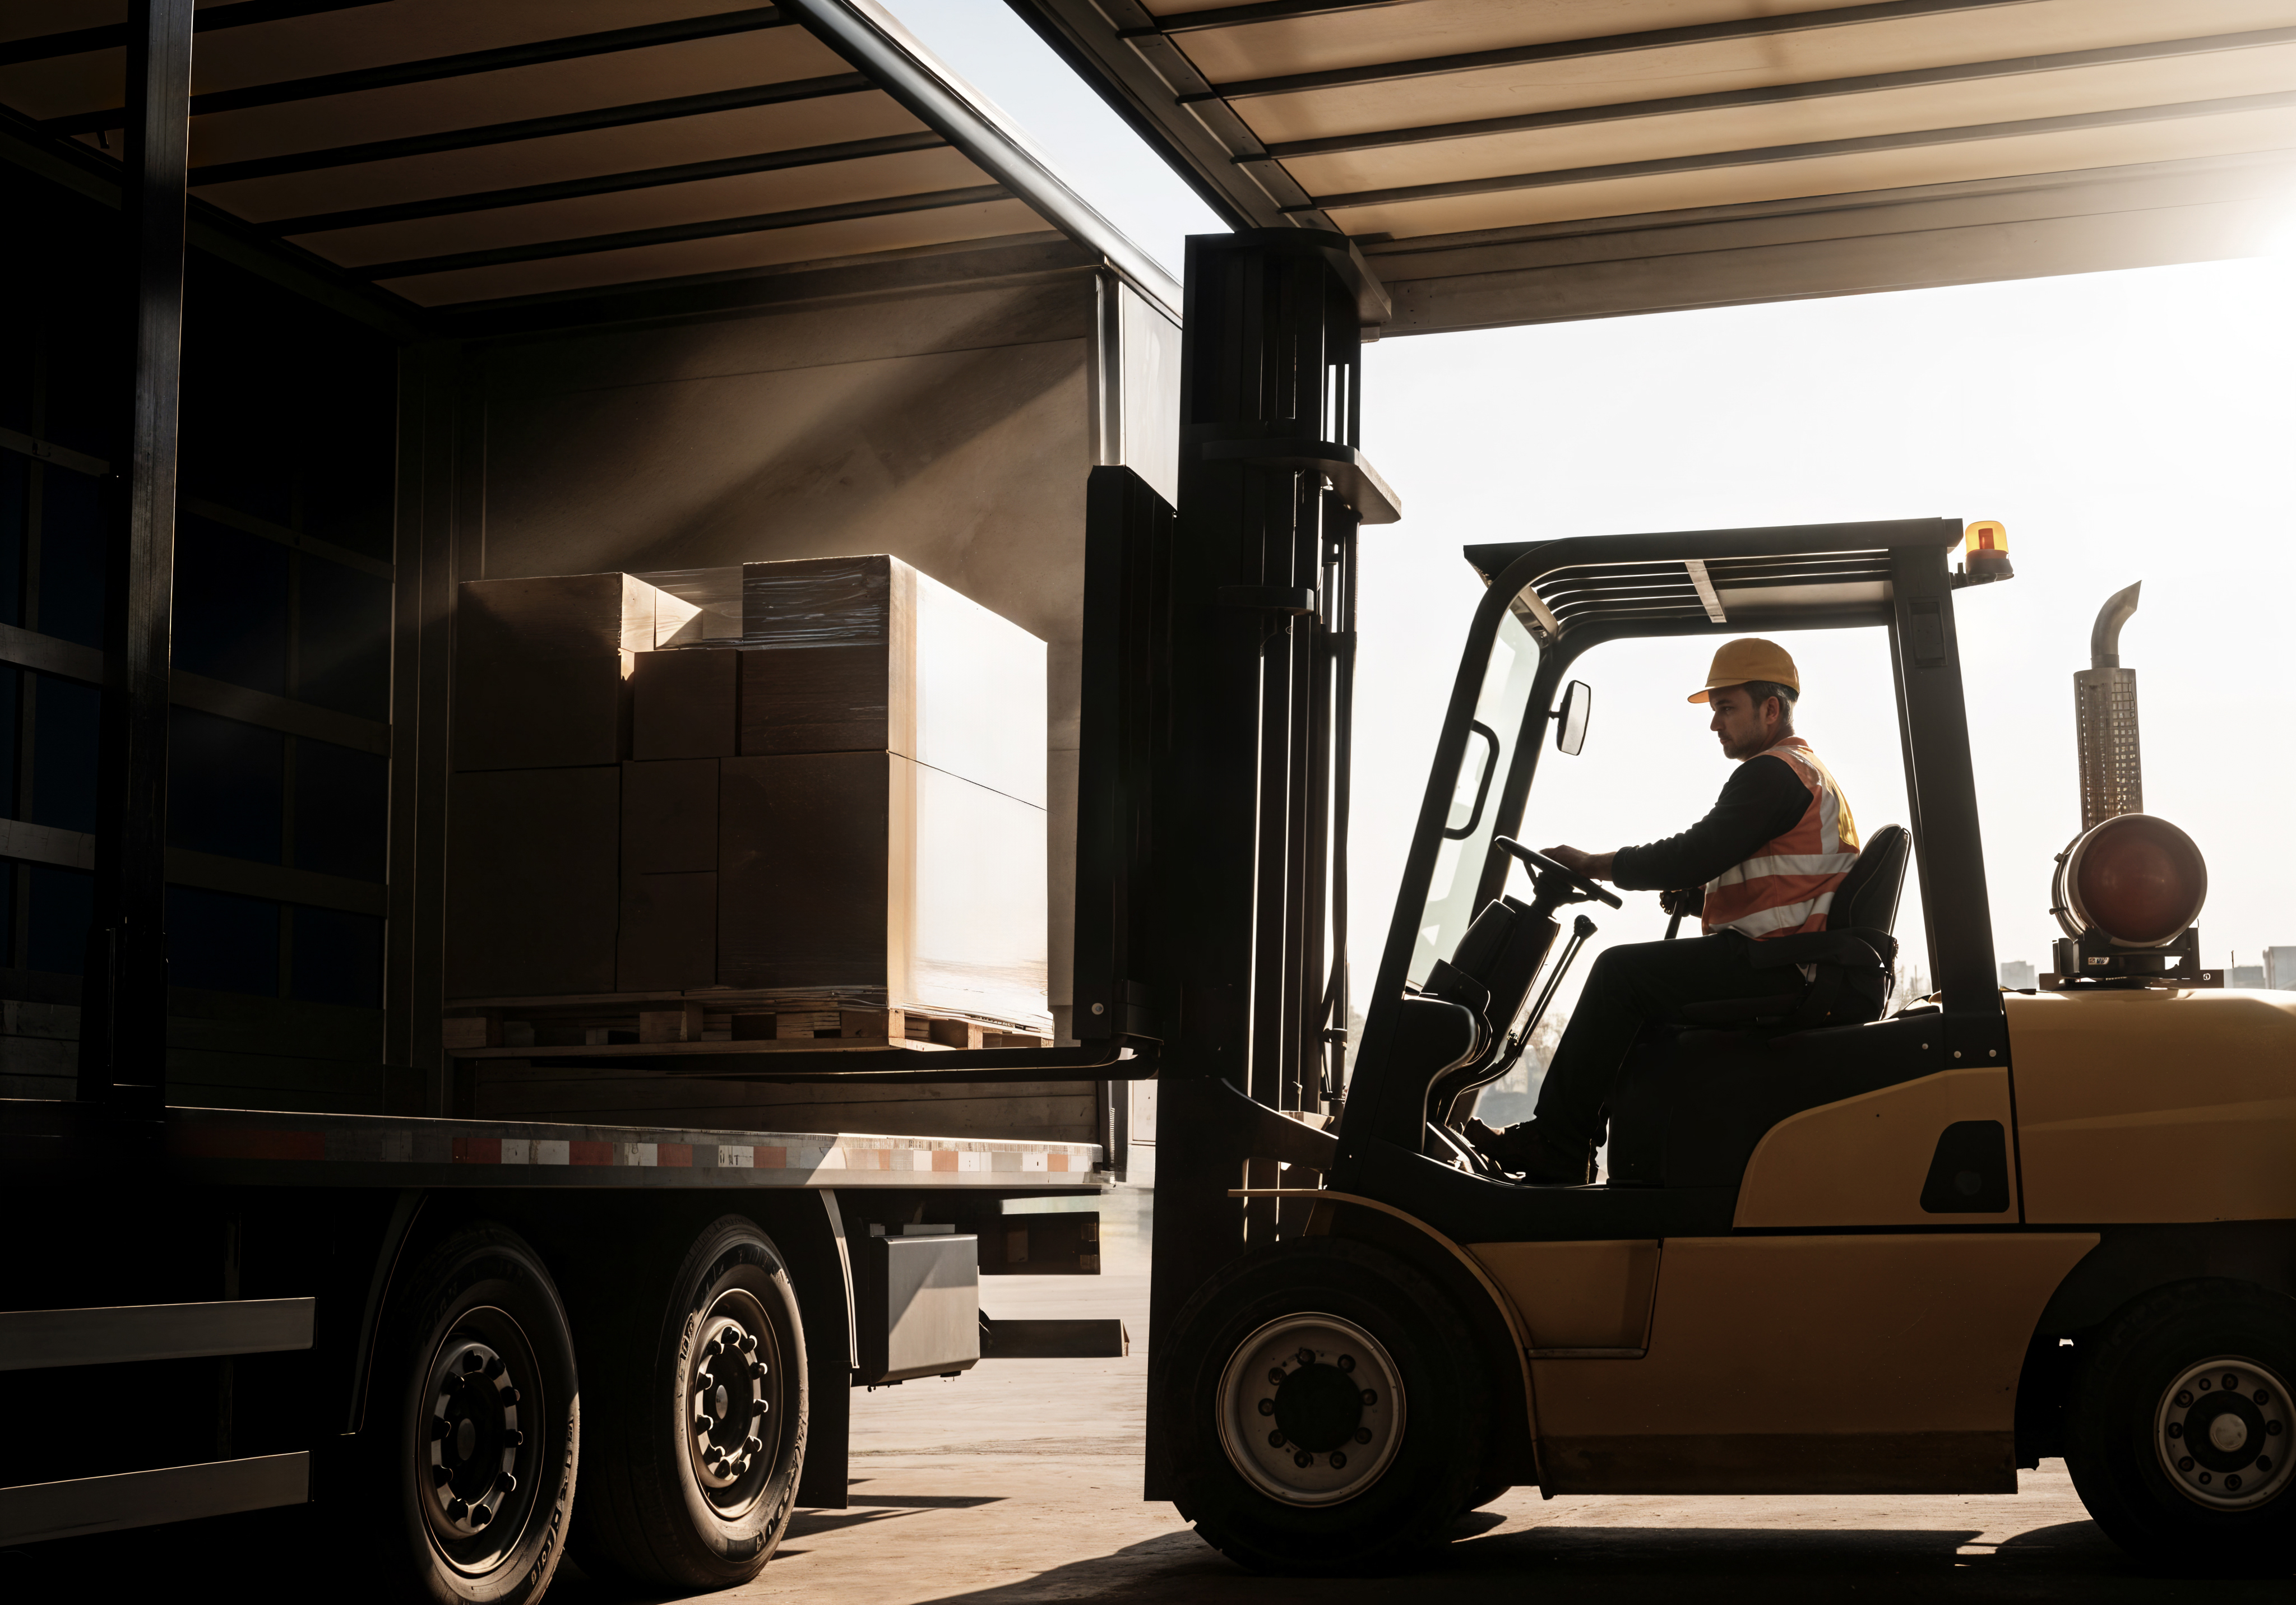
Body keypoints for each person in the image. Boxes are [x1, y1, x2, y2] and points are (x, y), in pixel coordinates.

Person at [1470, 638, 1860, 1185]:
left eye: (1726, 708)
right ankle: (1581, 1145)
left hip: (1782, 964)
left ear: (1770, 708)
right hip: (1789, 957)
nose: (1714, 725)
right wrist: (1702, 897)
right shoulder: (1800, 773)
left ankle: (1558, 1143)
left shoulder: (1773, 773)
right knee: (1638, 992)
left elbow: (1694, 851)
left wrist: (1593, 862)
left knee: (1619, 974)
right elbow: (1780, 874)